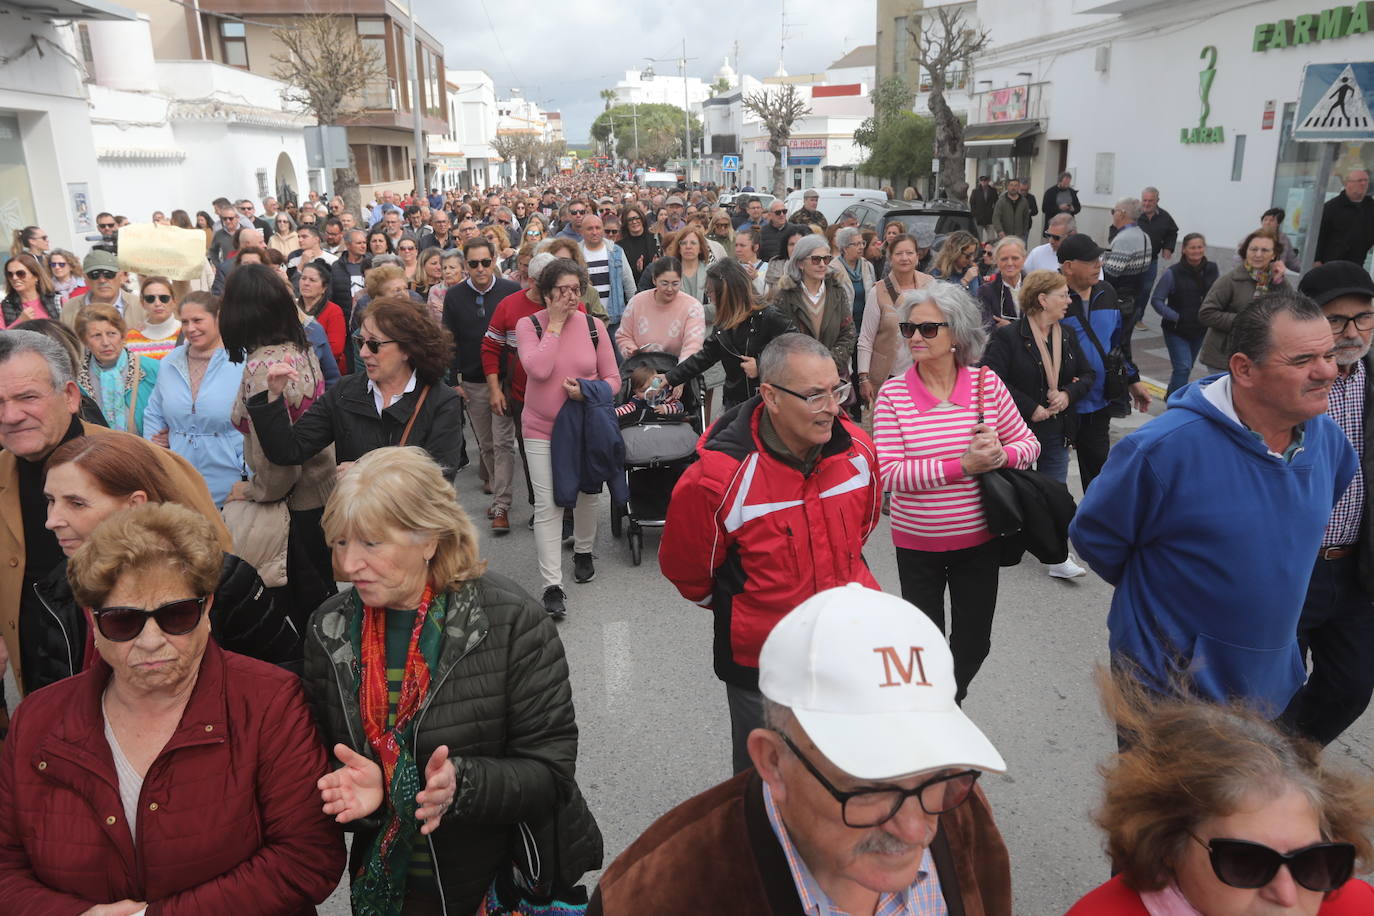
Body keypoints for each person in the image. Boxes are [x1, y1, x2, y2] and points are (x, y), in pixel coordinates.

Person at [0, 502, 345, 912]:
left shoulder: (270, 701)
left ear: (208, 607)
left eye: (176, 615)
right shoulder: (37, 719)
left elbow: (306, 858)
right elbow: (6, 866)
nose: (150, 642)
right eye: (123, 621)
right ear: (93, 620)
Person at [589, 583, 1013, 915]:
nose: (916, 830)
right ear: (773, 761)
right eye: (870, 788)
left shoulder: (961, 807)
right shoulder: (657, 893)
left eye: (934, 774)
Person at [303, 447, 600, 914]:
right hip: (391, 893)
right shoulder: (329, 629)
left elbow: (551, 773)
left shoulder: (509, 620)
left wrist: (462, 786)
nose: (348, 566)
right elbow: (320, 764)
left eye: (370, 544)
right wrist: (371, 795)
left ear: (429, 539)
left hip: (494, 887)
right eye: (340, 543)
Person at [1071, 291, 1357, 713]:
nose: (1327, 371)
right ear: (1243, 368)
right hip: (1167, 689)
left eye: (1329, 355)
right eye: (1302, 361)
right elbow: (1097, 538)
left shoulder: (1328, 441)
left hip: (1269, 689)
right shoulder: (1163, 449)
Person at [661, 333, 882, 773]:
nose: (833, 408)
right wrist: (739, 605)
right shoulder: (716, 479)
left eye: (836, 390)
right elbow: (688, 570)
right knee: (763, 785)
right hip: (760, 663)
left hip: (844, 648)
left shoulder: (858, 451)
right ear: (770, 396)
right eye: (814, 396)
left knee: (843, 776)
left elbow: (863, 527)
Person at [0, 329, 229, 698]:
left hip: (155, 691)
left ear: (70, 396)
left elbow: (218, 572)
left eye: (27, 397)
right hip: (46, 690)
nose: (11, 415)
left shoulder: (148, 463)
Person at [1066, 670, 1374, 915]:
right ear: (1166, 847)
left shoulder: (1355, 905)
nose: (1286, 894)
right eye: (1246, 863)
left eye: (1312, 860)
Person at [873, 283, 1040, 702]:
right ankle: (932, 709)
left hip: (979, 540)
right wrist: (963, 466)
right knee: (923, 642)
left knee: (973, 642)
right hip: (918, 546)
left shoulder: (986, 385)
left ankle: (950, 695)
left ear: (957, 336)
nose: (914, 337)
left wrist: (998, 454)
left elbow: (1029, 445)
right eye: (909, 328)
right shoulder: (893, 394)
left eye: (928, 329)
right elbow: (888, 472)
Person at [33, 431, 299, 692]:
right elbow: (53, 691)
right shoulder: (60, 587)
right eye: (50, 501)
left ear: (135, 504)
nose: (51, 520)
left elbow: (283, 680)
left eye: (76, 503)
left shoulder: (221, 579)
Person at [1281, 261, 1374, 747]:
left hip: (1356, 567)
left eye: (1364, 317)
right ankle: (1266, 775)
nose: (1352, 331)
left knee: (1351, 686)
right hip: (1290, 566)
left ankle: (1294, 754)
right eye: (1336, 320)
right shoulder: (1277, 379)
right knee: (1275, 687)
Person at [220, 263, 338, 630]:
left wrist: (253, 491)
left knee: (301, 616)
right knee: (327, 603)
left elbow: (277, 457)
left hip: (292, 504)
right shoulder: (300, 348)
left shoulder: (261, 367)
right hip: (321, 491)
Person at [514, 259, 619, 620]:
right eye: (562, 290)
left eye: (576, 289)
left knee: (588, 492)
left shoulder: (594, 327)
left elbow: (613, 381)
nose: (571, 296)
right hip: (540, 428)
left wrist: (586, 392)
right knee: (548, 505)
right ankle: (551, 586)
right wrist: (555, 326)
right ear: (546, 294)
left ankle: (584, 551)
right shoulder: (528, 325)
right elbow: (539, 369)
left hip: (584, 426)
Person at [1058, 234, 1151, 490]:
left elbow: (1117, 345)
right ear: (1068, 266)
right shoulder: (1053, 295)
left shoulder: (1107, 292)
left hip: (1098, 402)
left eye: (1098, 258)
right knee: (1053, 475)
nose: (1098, 264)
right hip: (1061, 404)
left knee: (1099, 476)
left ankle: (1094, 525)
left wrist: (1133, 380)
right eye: (1090, 260)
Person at [142, 291, 244, 506]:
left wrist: (248, 474)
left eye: (198, 320)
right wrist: (158, 452)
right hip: (180, 480)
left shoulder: (241, 361)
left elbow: (255, 423)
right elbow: (154, 412)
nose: (190, 329)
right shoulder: (170, 362)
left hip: (231, 481)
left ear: (218, 318)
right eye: (185, 322)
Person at [444, 236, 519, 522]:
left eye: (485, 262)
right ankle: (494, 481)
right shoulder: (454, 296)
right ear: (466, 265)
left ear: (495, 260)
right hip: (473, 380)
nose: (480, 268)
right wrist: (454, 382)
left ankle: (502, 503)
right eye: (473, 263)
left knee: (503, 443)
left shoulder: (511, 291)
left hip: (506, 379)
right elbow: (449, 342)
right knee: (486, 443)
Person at [1199, 228, 1294, 371]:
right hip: (1224, 358)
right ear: (1246, 251)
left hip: (1261, 356)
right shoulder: (1230, 280)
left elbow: (1292, 311)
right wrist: (1246, 321)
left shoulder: (1277, 281)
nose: (1258, 254)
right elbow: (1206, 313)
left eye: (1265, 250)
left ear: (1274, 254)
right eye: (1253, 249)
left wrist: (1279, 281)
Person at [857, 233, 934, 407]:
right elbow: (866, 338)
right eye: (899, 254)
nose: (904, 258)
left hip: (925, 373)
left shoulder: (930, 286)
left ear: (917, 256)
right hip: (889, 375)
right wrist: (863, 377)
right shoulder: (878, 291)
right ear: (890, 258)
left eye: (909, 253)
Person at [770, 235, 856, 379]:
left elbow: (848, 332)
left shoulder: (837, 291)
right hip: (798, 376)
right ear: (800, 263)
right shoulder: (784, 295)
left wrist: (829, 362)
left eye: (826, 259)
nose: (822, 264)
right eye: (816, 259)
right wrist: (807, 366)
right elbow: (779, 339)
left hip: (833, 374)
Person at [1151, 232, 1219, 398]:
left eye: (1200, 247)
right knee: (1183, 367)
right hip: (1176, 330)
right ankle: (1175, 404)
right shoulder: (1172, 273)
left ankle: (1171, 396)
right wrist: (1176, 317)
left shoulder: (1212, 269)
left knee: (1186, 368)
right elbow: (1157, 300)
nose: (1196, 251)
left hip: (1200, 329)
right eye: (1192, 247)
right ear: (1184, 250)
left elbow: (1217, 294)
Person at [75, 304, 159, 434]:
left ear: (123, 335)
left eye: (111, 334)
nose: (105, 342)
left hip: (147, 450)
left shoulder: (152, 370)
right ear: (85, 341)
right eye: (96, 335)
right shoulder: (76, 379)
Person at [615, 256, 705, 360]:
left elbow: (693, 346)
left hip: (679, 369)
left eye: (675, 284)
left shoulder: (693, 307)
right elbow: (623, 336)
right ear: (654, 280)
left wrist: (675, 374)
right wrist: (632, 351)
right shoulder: (636, 302)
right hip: (643, 368)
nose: (670, 289)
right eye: (664, 283)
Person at [60, 248, 145, 331]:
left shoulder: (141, 306)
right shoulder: (69, 309)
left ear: (120, 276)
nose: (102, 280)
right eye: (94, 275)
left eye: (109, 274)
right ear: (85, 279)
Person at [1103, 198, 1153, 336]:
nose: (1113, 214)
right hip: (1133, 299)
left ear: (1122, 213)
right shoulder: (1144, 236)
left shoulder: (1124, 238)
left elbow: (1110, 274)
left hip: (1118, 301)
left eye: (1114, 211)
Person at [579, 214, 635, 336]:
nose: (594, 232)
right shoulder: (576, 253)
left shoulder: (616, 251)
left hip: (614, 319)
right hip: (586, 319)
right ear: (581, 231)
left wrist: (633, 312)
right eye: (590, 228)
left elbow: (628, 283)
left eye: (598, 228)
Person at [1315, 169, 1373, 268]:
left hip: (1357, 264)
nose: (1363, 184)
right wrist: (1316, 259)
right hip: (1331, 263)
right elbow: (1319, 235)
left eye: (1366, 180)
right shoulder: (1331, 207)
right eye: (1359, 180)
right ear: (1347, 184)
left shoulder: (1370, 207)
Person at [296, 259, 346, 369]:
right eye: (303, 278)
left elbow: (336, 349)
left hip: (325, 369)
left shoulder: (333, 311)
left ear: (324, 288)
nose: (306, 283)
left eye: (312, 280)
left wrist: (303, 360)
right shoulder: (292, 308)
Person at [124, 276, 181, 361]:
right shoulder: (131, 338)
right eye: (150, 299)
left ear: (174, 301)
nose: (157, 303)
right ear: (142, 303)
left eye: (164, 298)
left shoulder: (188, 333)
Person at [977, 236, 1028, 329]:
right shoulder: (985, 292)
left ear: (1024, 259)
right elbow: (987, 328)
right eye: (1004, 259)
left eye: (1015, 258)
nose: (1009, 263)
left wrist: (1010, 327)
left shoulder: (1035, 288)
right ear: (996, 260)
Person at [2, 252, 59, 329]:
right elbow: (2, 338)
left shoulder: (57, 301)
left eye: (20, 273)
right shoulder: (4, 307)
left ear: (36, 276)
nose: (14, 278)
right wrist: (20, 322)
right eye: (10, 274)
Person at [618, 204, 660, 277]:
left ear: (642, 219)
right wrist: (636, 269)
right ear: (625, 223)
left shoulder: (656, 239)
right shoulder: (620, 246)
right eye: (630, 220)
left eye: (637, 218)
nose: (634, 222)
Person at [969, 175, 998, 244]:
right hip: (979, 217)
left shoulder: (993, 191)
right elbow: (972, 203)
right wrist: (974, 214)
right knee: (978, 238)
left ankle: (989, 249)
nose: (984, 182)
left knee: (992, 238)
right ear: (980, 182)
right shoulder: (975, 191)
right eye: (982, 181)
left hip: (989, 217)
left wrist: (993, 212)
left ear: (988, 181)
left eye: (985, 181)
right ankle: (979, 251)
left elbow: (997, 202)